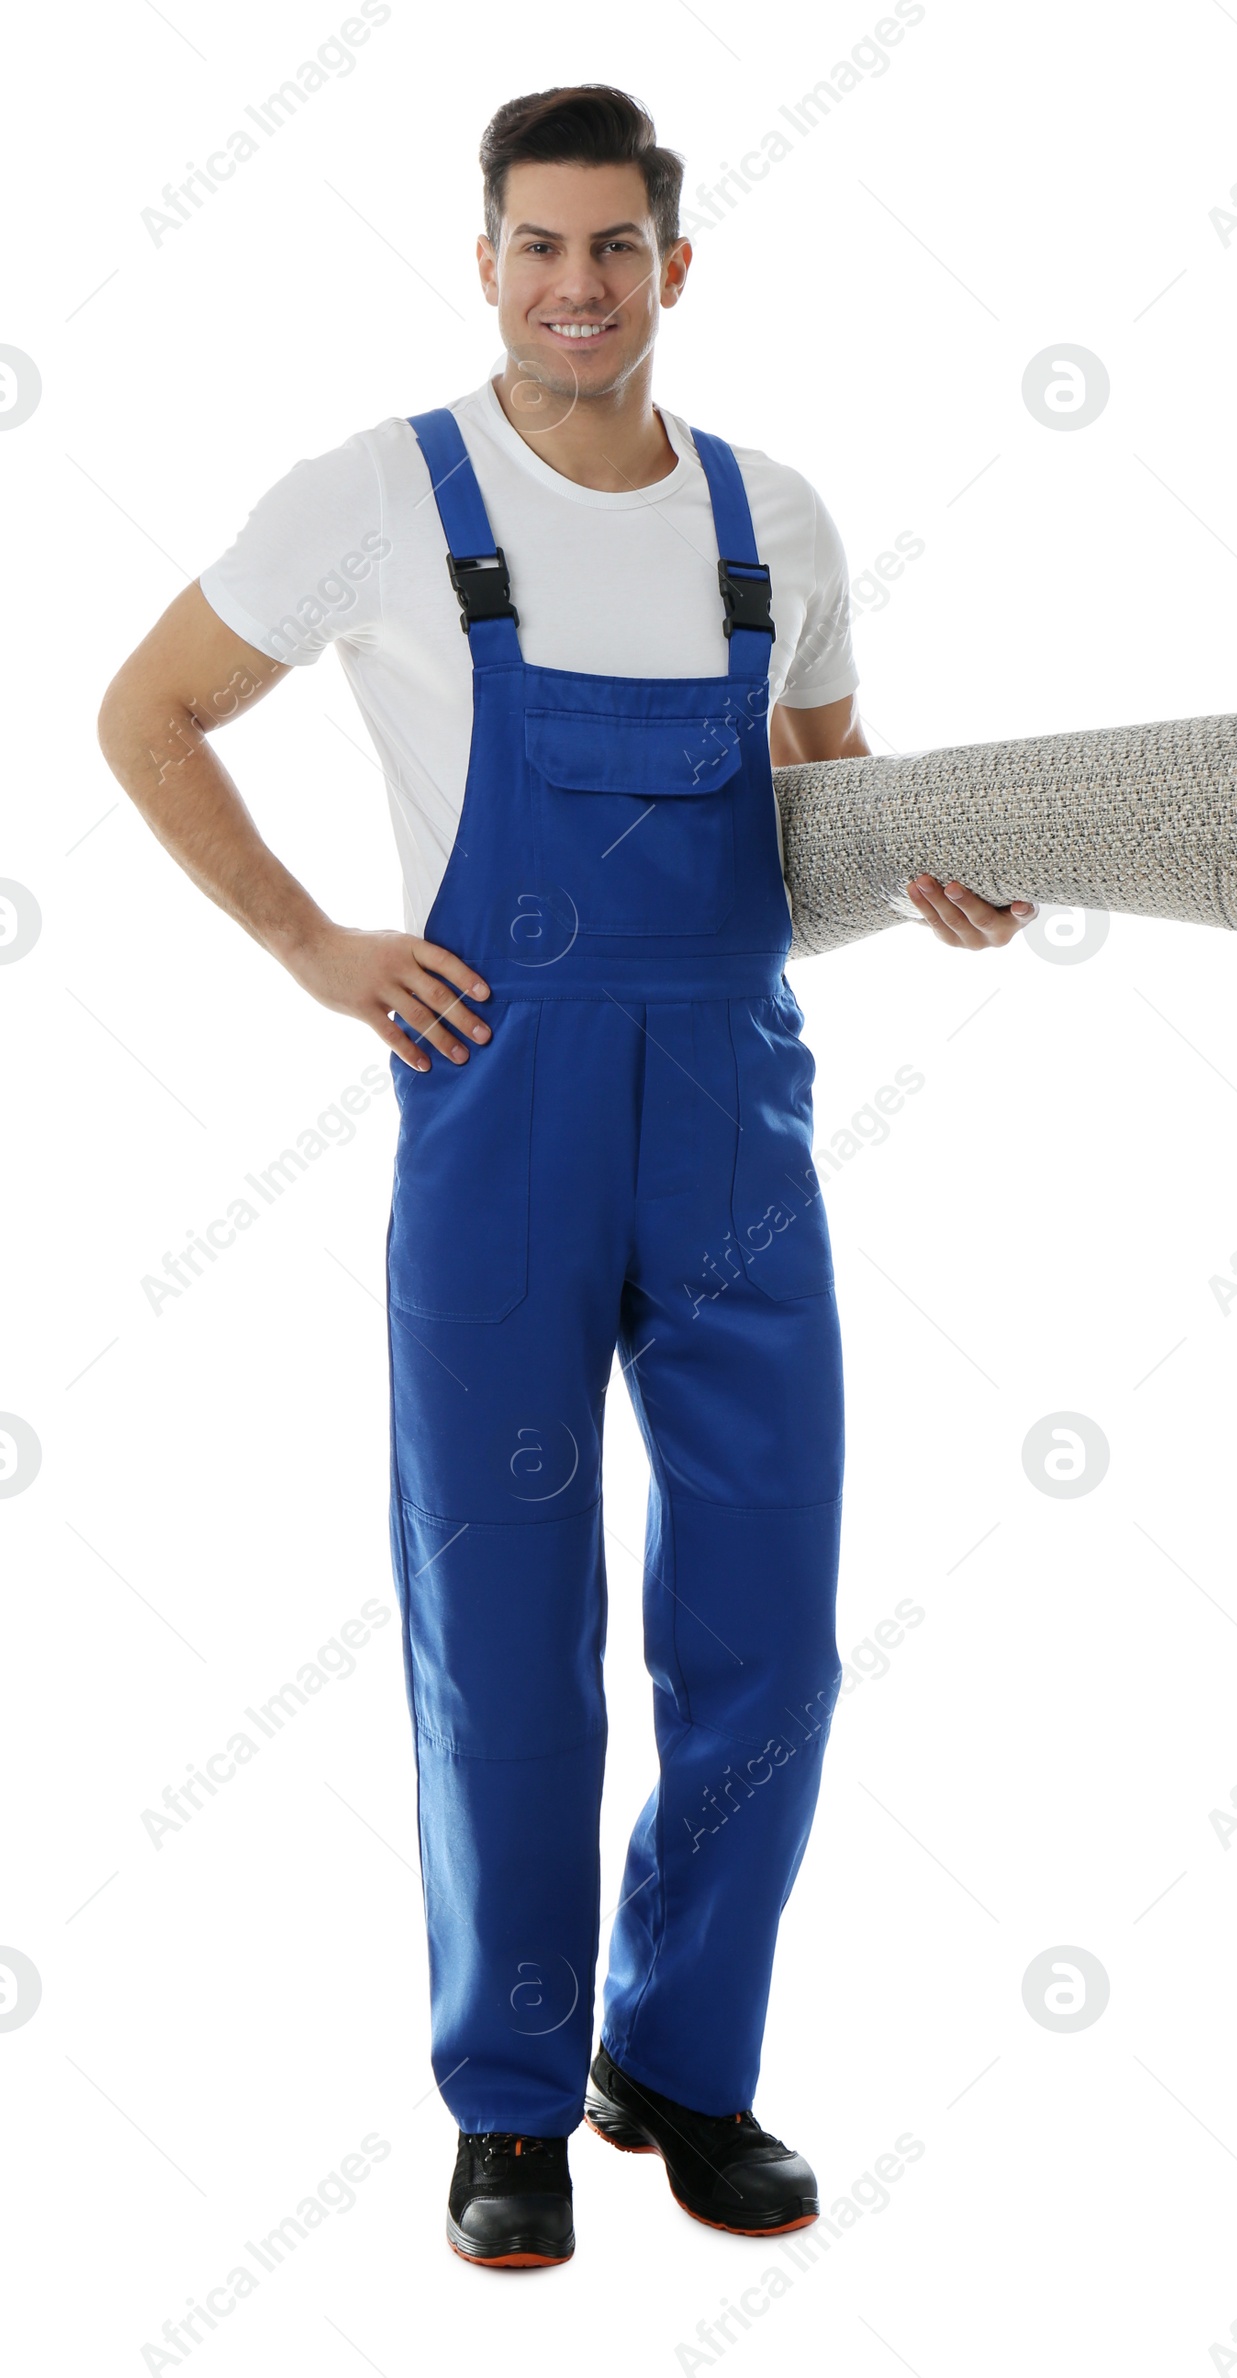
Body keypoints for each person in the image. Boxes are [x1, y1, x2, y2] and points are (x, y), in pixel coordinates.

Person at [97, 83, 1035, 2268]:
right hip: (495, 1121)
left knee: (768, 1636)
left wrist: (932, 873)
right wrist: (318, 948)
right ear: (488, 257)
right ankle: (507, 2101)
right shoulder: (380, 499)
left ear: (674, 268)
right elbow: (145, 710)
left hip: (732, 1124)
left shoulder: (769, 518)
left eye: (616, 247)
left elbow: (825, 805)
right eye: (538, 244)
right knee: (504, 1640)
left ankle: (680, 2062)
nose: (576, 284)